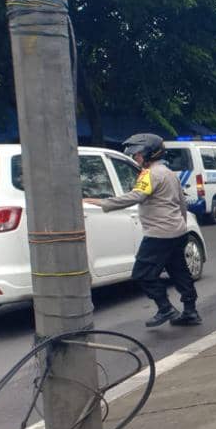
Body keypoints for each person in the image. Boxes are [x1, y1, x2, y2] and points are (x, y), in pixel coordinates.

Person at [85, 133, 199, 327]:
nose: (135, 159)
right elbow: (181, 202)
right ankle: (190, 311)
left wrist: (101, 202)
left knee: (142, 273)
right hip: (177, 231)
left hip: (159, 234)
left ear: (149, 153)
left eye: (137, 155)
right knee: (179, 271)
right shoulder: (169, 173)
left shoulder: (150, 174)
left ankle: (165, 308)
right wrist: (181, 224)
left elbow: (135, 197)